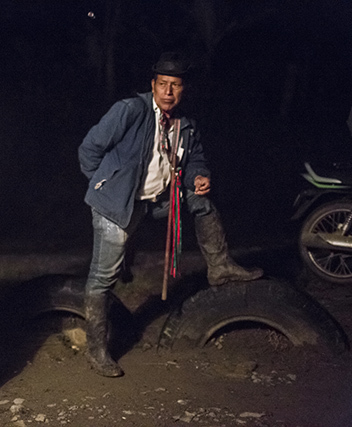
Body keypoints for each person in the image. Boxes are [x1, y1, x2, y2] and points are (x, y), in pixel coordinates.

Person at [78, 52, 263, 378]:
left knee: (201, 198)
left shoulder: (186, 126)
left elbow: (194, 162)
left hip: (154, 200)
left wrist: (198, 177)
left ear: (183, 89)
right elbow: (89, 148)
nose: (168, 92)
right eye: (162, 84)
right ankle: (97, 350)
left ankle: (219, 266)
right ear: (153, 85)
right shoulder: (130, 110)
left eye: (175, 85)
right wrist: (105, 184)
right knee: (103, 276)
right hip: (115, 203)